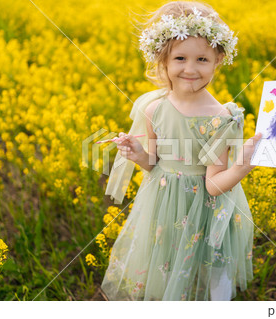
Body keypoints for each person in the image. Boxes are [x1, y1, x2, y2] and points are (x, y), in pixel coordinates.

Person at [101, 0, 262, 301]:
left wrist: (240, 169)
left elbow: (214, 186)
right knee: (164, 263)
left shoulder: (221, 118)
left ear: (218, 60)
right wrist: (138, 155)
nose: (190, 68)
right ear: (163, 60)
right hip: (165, 204)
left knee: (213, 268)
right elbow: (155, 162)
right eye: (180, 58)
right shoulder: (154, 109)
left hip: (207, 210)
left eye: (202, 59)